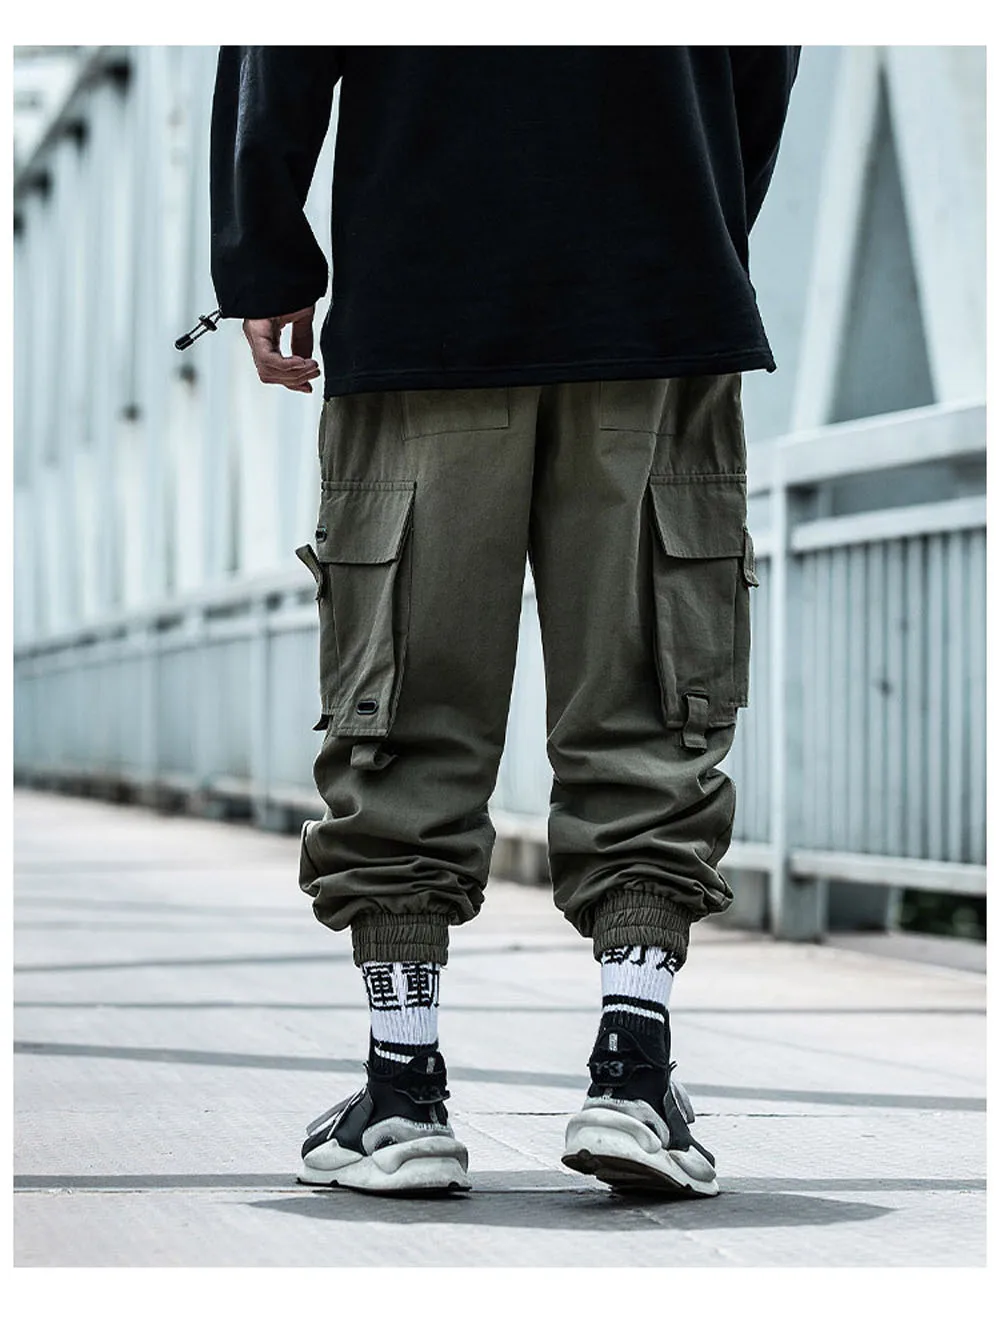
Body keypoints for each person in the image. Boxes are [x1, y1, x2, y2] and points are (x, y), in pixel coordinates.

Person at [210, 45, 799, 1197]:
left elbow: (276, 44)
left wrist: (264, 256)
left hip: (426, 293)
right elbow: (764, 55)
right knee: (651, 706)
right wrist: (697, 221)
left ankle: (402, 1097)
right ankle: (633, 1077)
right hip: (656, 291)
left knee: (403, 707)